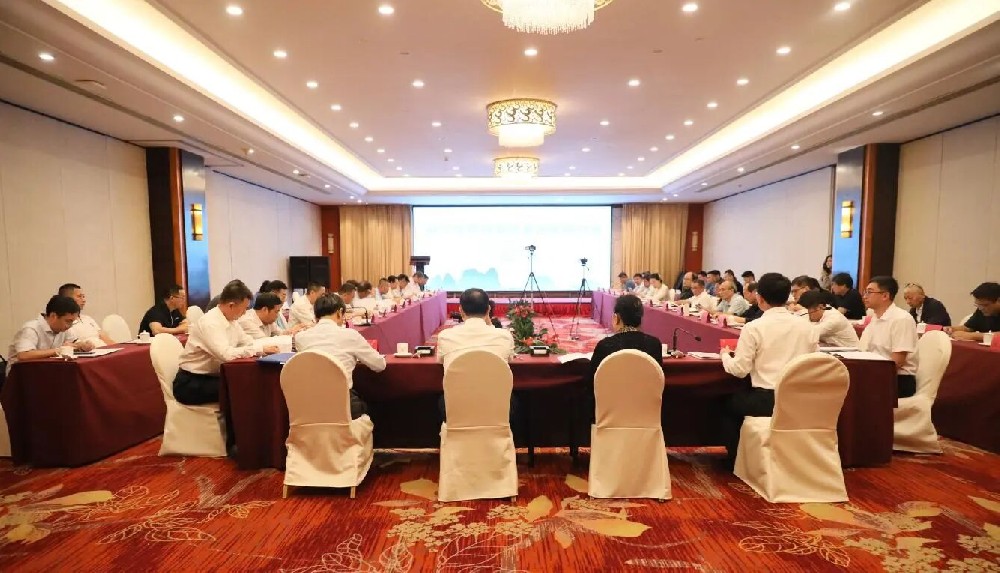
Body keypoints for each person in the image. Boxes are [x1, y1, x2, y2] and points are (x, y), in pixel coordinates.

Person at [719, 273, 817, 465]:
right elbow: (813, 361)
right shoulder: (807, 327)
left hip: (767, 400)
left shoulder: (755, 327)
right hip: (800, 398)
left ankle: (738, 460)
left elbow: (740, 370)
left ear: (760, 298)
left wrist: (724, 355)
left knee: (724, 403)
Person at [174, 280, 277, 405]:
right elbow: (226, 355)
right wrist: (257, 350)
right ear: (231, 305)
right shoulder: (210, 323)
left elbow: (247, 341)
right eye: (244, 309)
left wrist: (264, 348)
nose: (245, 313)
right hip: (191, 382)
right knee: (245, 388)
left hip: (211, 376)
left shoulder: (231, 320)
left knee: (254, 381)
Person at [293, 293, 387, 419]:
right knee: (377, 407)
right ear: (339, 312)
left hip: (309, 406)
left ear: (315, 316)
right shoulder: (350, 335)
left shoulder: (300, 338)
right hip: (342, 404)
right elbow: (379, 365)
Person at [859, 276, 919, 398]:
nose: (864, 296)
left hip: (897, 379)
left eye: (869, 292)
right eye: (865, 292)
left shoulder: (901, 319)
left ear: (885, 296)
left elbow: (897, 362)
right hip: (875, 374)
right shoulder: (875, 318)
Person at [7, 295, 93, 371]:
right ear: (53, 316)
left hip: (49, 371)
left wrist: (83, 345)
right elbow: (24, 355)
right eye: (68, 321)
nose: (70, 326)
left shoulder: (65, 329)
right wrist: (58, 351)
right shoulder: (31, 328)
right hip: (23, 375)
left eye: (72, 322)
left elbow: (74, 342)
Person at [437, 288, 514, 369]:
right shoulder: (505, 336)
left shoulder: (445, 336)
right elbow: (509, 360)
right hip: (495, 377)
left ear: (461, 310)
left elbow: (440, 361)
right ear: (488, 309)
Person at [238, 292, 303, 339]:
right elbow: (264, 342)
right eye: (276, 312)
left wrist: (292, 331)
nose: (277, 315)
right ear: (265, 309)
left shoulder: (268, 320)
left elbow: (280, 333)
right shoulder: (247, 321)